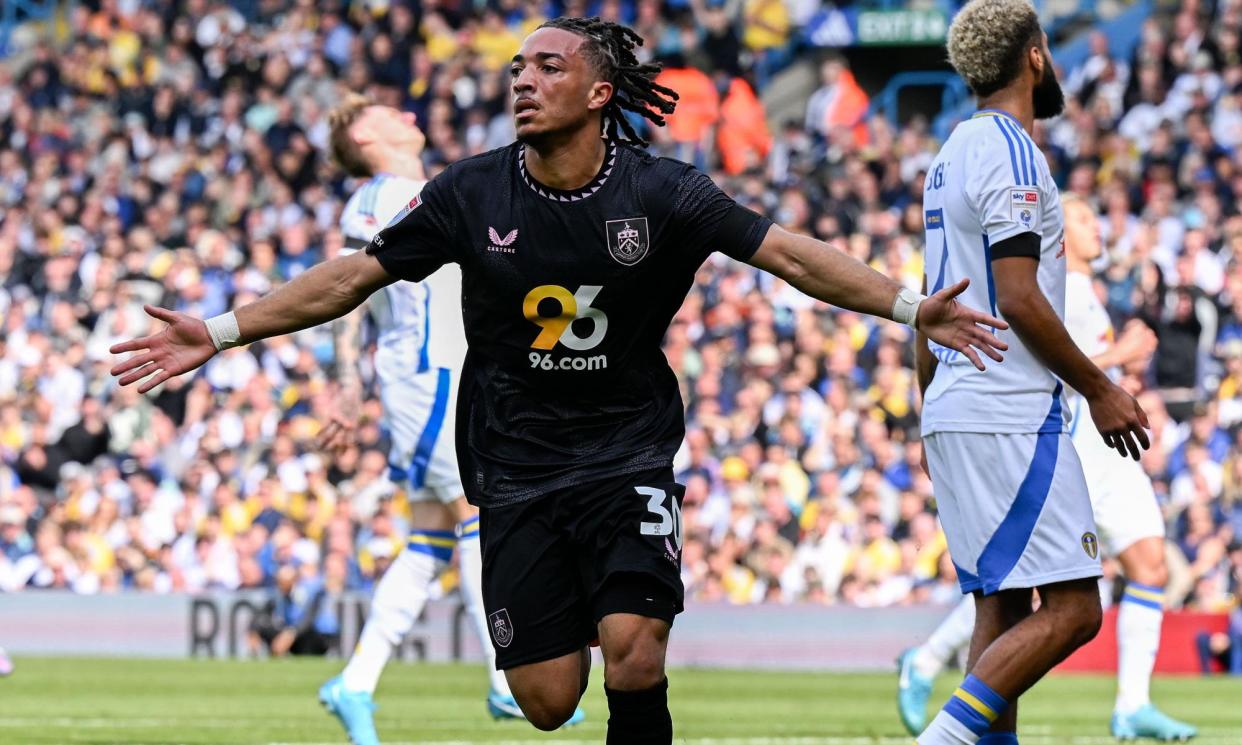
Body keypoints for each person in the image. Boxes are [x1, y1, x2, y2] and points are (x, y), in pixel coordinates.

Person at [109, 16, 1007, 743]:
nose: (522, 80)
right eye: (516, 68)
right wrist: (222, 331)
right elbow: (352, 276)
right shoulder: (468, 192)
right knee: (544, 697)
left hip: (627, 453)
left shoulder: (663, 192)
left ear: (599, 91)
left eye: (547, 66)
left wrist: (908, 304)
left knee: (635, 650)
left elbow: (790, 258)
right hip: (513, 460)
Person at [909, 1, 1153, 742]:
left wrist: (938, 402)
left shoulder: (949, 152)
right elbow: (1016, 295)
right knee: (1076, 608)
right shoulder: (1014, 151)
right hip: (1006, 404)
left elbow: (933, 303)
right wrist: (1102, 387)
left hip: (956, 397)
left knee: (1002, 607)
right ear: (1035, 57)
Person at [312, 95, 582, 745]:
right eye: (386, 112)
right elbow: (350, 286)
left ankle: (356, 681)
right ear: (366, 137)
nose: (407, 112)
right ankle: (502, 677)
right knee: (479, 515)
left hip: (449, 375)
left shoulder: (431, 189)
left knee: (432, 541)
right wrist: (347, 380)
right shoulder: (378, 196)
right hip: (426, 377)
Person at [897, 193, 1197, 740]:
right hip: (1060, 442)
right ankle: (930, 668)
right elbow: (1040, 367)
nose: (1095, 226)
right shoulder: (1052, 285)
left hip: (1096, 448)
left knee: (1127, 569)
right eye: (1083, 217)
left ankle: (1131, 702)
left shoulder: (1077, 288)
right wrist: (1115, 364)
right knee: (1037, 596)